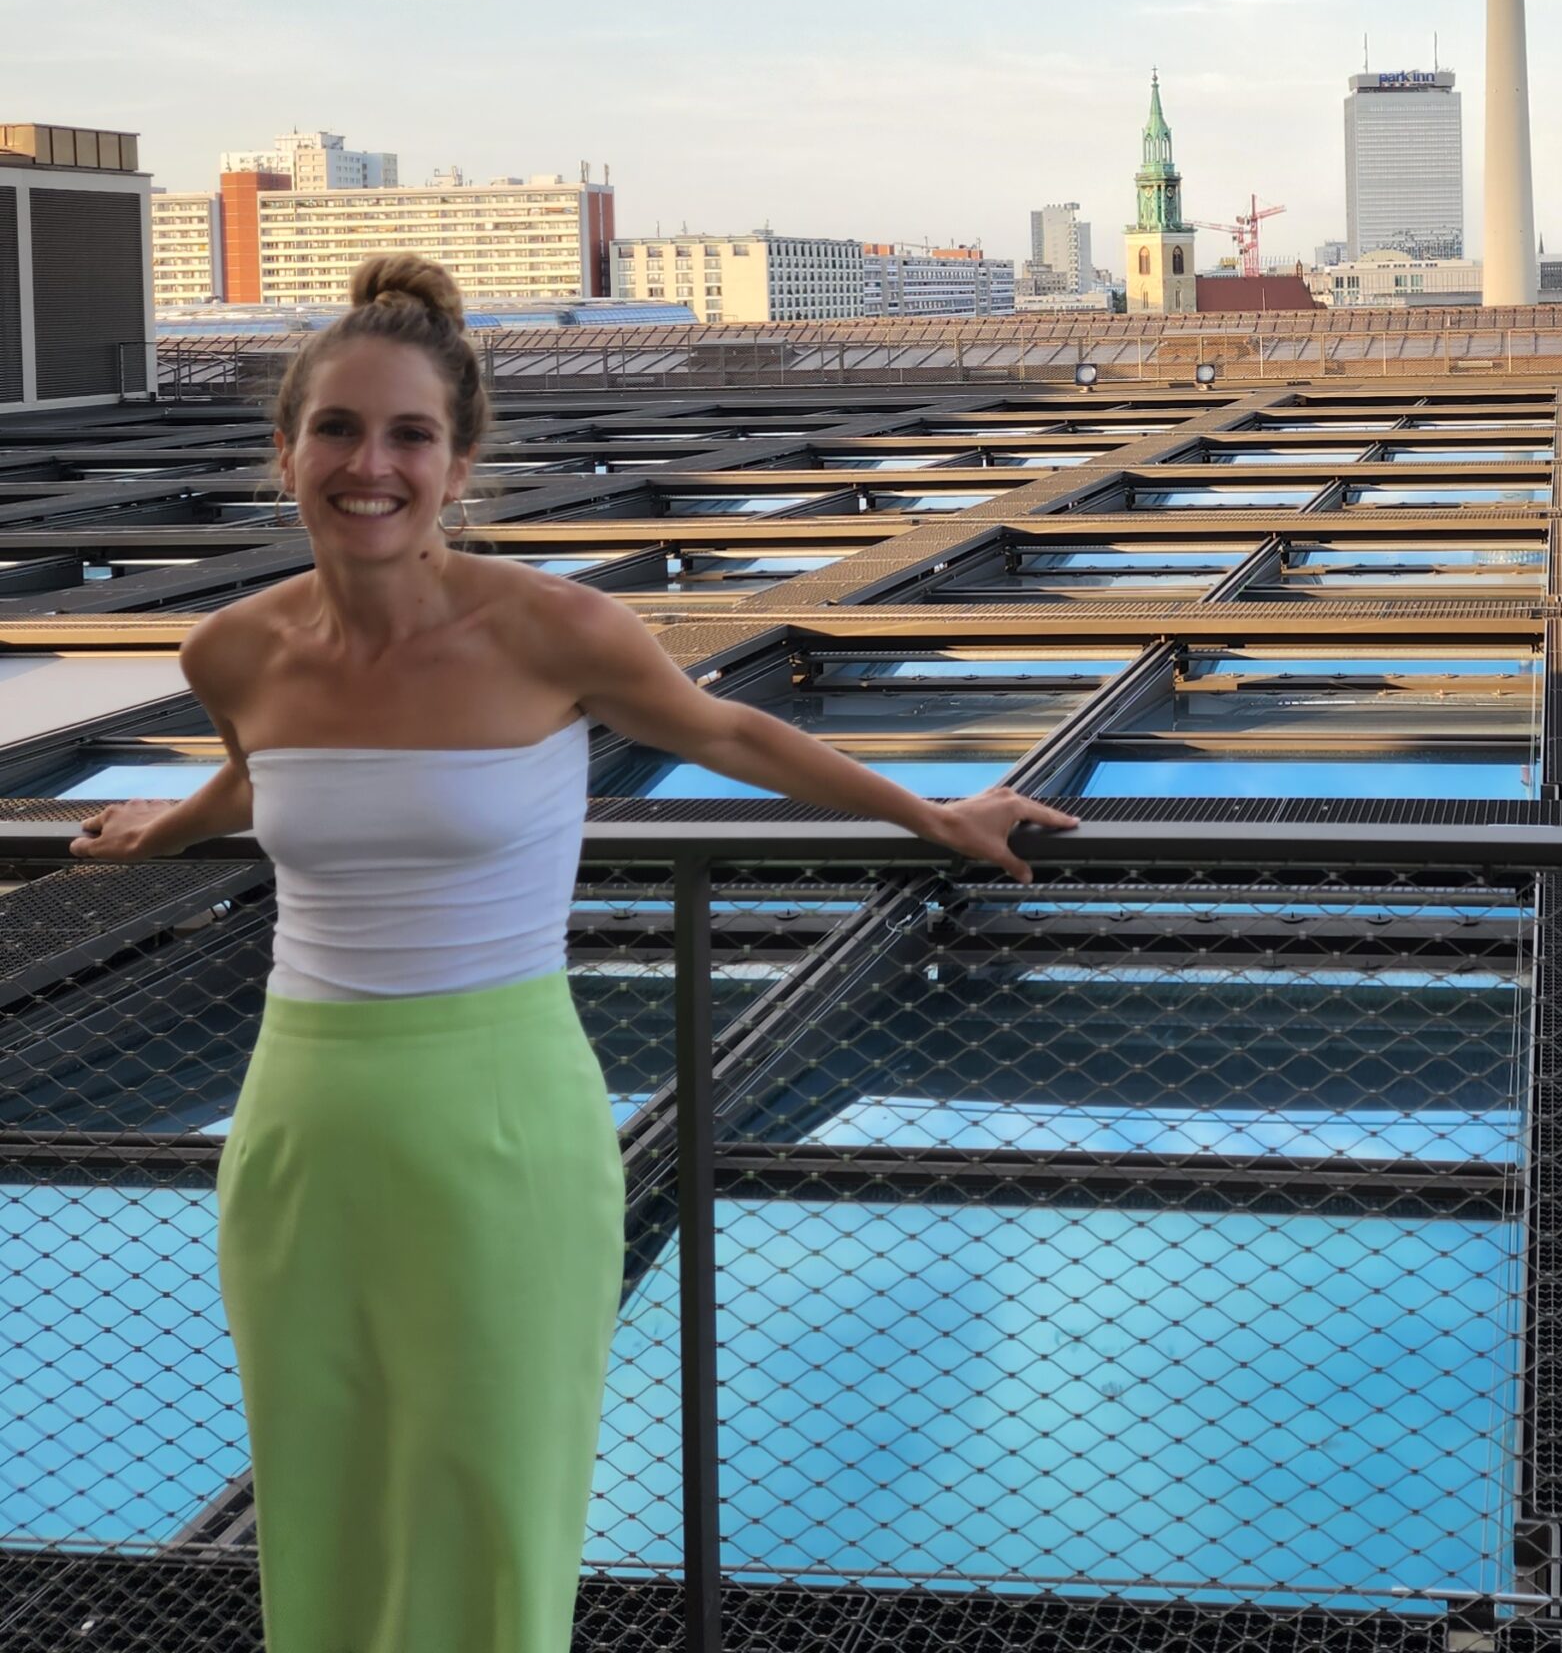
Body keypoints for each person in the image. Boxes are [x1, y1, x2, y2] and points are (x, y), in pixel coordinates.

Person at [72, 253, 1077, 1653]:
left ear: (460, 461)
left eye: (409, 435)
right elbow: (260, 777)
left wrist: (935, 813)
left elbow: (734, 735)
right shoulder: (232, 649)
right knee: (324, 1476)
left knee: (493, 1485)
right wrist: (161, 832)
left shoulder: (553, 628)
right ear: (286, 452)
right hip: (305, 1118)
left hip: (505, 1118)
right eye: (340, 431)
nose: (372, 465)